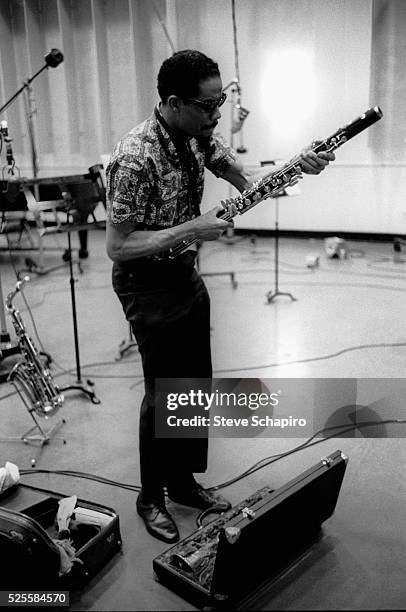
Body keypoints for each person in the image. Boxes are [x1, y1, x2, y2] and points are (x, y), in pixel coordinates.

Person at [106, 49, 335, 544]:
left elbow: (244, 181)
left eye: (221, 103)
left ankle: (183, 481)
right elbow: (118, 246)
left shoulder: (197, 136)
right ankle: (151, 496)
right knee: (162, 391)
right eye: (208, 106)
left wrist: (295, 171)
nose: (216, 116)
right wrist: (193, 226)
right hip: (145, 283)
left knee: (192, 384)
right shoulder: (135, 156)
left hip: (183, 273)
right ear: (172, 102)